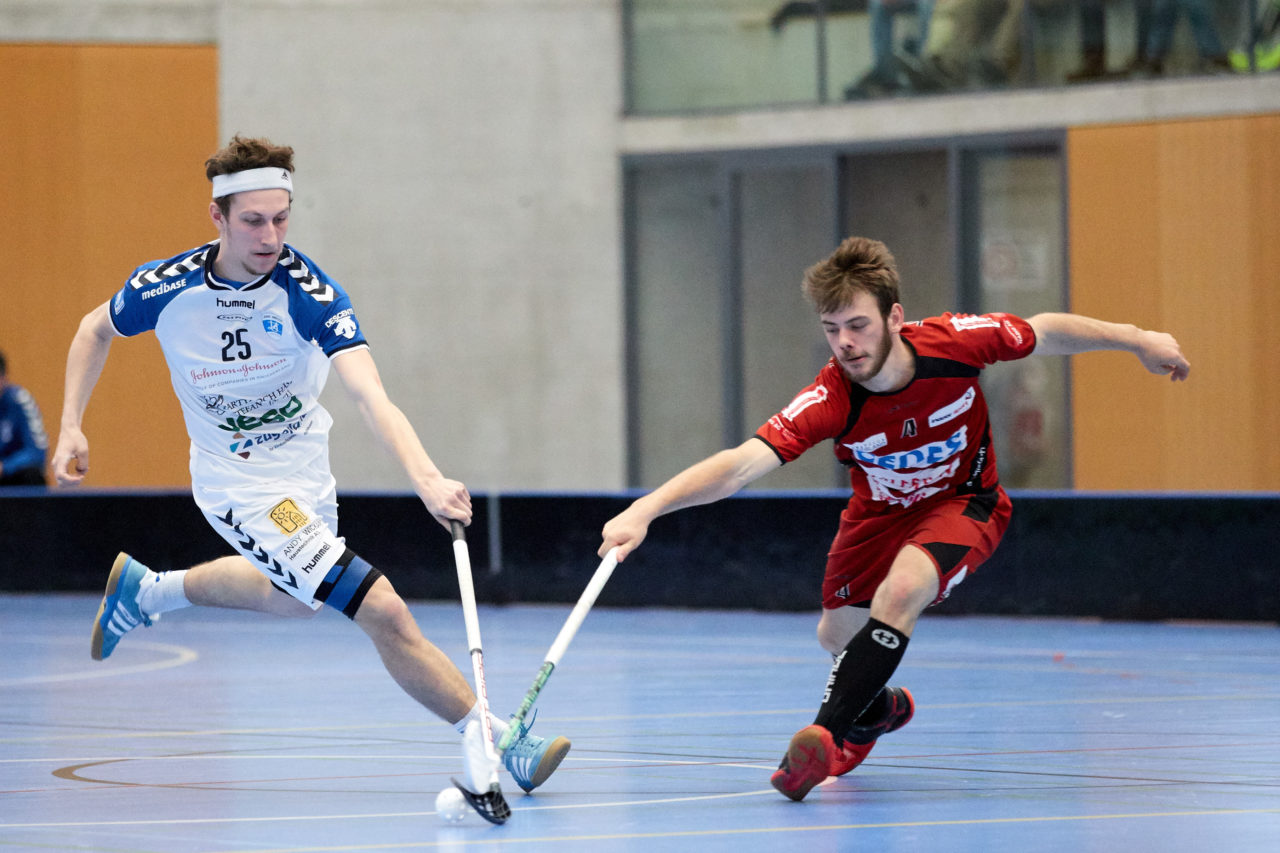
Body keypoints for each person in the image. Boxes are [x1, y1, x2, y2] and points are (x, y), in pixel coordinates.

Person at [51, 135, 568, 795]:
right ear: (217, 218)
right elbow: (94, 329)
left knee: (298, 603)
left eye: (281, 217)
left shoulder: (310, 292)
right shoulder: (167, 285)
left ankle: (151, 591)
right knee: (380, 606)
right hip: (239, 483)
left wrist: (426, 477)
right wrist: (71, 422)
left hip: (304, 478)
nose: (271, 236)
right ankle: (499, 738)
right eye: (253, 221)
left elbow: (368, 393)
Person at [598, 236, 1190, 802]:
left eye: (857, 325)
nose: (845, 343)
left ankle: (824, 740)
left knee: (901, 591)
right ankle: (877, 710)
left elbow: (1043, 332)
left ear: (894, 317)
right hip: (876, 517)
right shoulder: (832, 398)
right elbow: (738, 466)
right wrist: (645, 510)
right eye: (832, 330)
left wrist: (1137, 338)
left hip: (964, 503)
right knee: (835, 636)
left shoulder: (955, 343)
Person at [0, 349, 50, 486]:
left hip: (9, 476)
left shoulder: (19, 401)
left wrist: (5, 466)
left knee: (32, 475)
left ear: (3, 378)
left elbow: (36, 453)